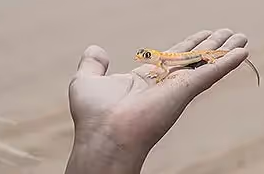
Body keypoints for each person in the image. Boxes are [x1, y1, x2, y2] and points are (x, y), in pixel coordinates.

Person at [64, 28, 250, 174]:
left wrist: (210, 57)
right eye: (142, 55)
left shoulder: (163, 61)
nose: (140, 58)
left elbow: (164, 72)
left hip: (201, 55)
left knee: (208, 57)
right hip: (192, 57)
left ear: (153, 56)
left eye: (144, 56)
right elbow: (162, 71)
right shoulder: (161, 62)